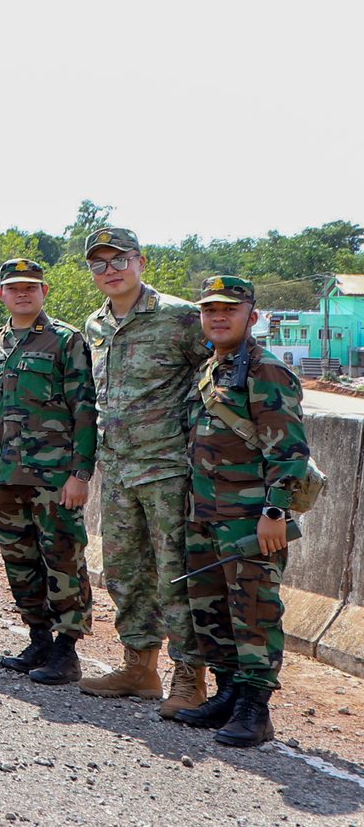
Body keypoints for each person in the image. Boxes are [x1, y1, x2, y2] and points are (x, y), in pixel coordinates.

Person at [173, 275, 313, 748]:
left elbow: (289, 450)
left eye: (228, 310)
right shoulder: (213, 368)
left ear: (250, 317)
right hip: (205, 513)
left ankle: (255, 708)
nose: (217, 316)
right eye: (209, 310)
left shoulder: (265, 370)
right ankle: (228, 691)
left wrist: (275, 511)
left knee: (254, 608)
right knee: (211, 608)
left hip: (250, 516)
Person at [76, 226, 210, 713]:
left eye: (119, 260)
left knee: (175, 575)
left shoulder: (180, 318)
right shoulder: (95, 324)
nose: (110, 271)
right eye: (99, 263)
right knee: (124, 572)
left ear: (141, 262)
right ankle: (140, 665)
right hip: (117, 471)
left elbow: (216, 378)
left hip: (168, 470)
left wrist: (194, 440)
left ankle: (190, 677)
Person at [0, 258, 96, 684]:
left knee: (62, 559)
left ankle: (66, 649)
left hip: (53, 478)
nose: (23, 293)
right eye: (14, 287)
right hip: (4, 477)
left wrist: (80, 473)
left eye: (31, 286)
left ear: (45, 291)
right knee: (20, 561)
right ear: (1, 293)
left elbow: (84, 410)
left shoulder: (64, 341)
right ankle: (38, 637)